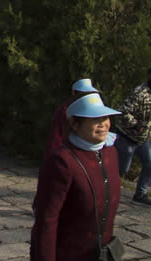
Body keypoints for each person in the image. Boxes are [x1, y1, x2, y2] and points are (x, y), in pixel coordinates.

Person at [30, 93, 122, 261]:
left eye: (105, 117)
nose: (103, 124)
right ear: (75, 124)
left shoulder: (111, 153)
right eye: (94, 119)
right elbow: (46, 220)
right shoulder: (62, 161)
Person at [113, 67, 151, 206]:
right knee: (122, 169)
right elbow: (123, 111)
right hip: (127, 137)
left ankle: (140, 194)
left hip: (142, 139)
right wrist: (136, 125)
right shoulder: (140, 93)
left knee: (150, 163)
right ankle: (107, 191)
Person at [43, 78, 102, 161]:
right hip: (60, 150)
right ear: (74, 93)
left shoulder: (81, 108)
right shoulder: (67, 109)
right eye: (82, 93)